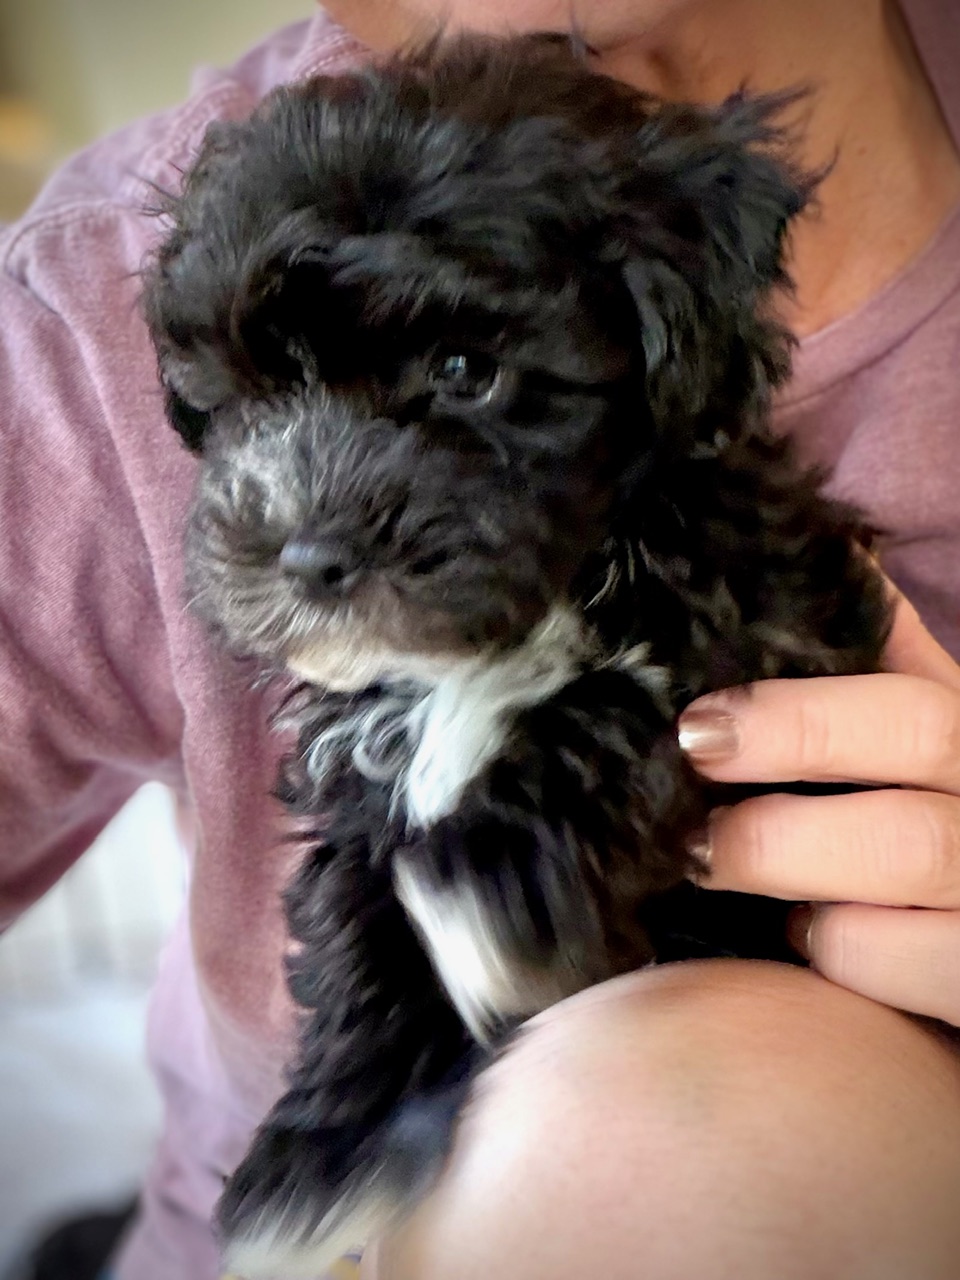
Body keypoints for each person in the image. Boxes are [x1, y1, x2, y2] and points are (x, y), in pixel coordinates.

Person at [2, 1, 959, 1277]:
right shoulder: (79, 301)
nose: (312, 529)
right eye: (254, 401)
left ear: (676, 343)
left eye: (462, 377)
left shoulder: (706, 546)